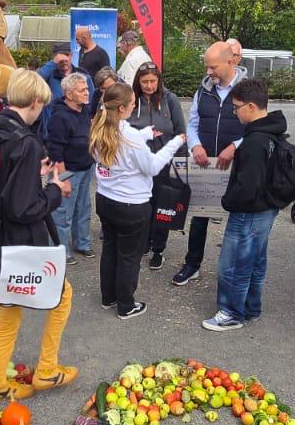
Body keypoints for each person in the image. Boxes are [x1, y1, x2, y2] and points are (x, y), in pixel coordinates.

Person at [0, 69, 76, 402]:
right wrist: (55, 190)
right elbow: (22, 207)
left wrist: (33, 175)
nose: (41, 112)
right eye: (42, 106)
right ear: (35, 101)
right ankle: (46, 369)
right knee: (62, 295)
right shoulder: (25, 143)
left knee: (7, 307)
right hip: (21, 240)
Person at [92, 82, 187, 319]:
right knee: (129, 257)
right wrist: (175, 142)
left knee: (110, 249)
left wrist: (145, 134)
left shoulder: (99, 127)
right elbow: (152, 166)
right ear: (122, 108)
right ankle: (126, 305)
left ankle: (108, 297)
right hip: (131, 205)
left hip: (105, 199)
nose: (135, 107)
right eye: (133, 104)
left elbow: (124, 140)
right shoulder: (129, 136)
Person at [202, 79, 288, 332]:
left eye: (237, 107)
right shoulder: (273, 130)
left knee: (232, 265)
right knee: (255, 261)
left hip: (248, 212)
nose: (235, 112)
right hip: (267, 208)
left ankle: (230, 312)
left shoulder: (253, 141)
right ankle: (251, 307)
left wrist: (227, 201)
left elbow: (247, 186)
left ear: (251, 106)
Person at [174, 42, 248, 286]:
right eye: (207, 66)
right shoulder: (203, 90)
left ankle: (234, 271)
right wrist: (195, 145)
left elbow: (258, 126)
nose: (208, 72)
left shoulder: (249, 90)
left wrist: (235, 146)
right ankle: (192, 264)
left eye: (213, 67)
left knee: (238, 219)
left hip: (237, 166)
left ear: (231, 61)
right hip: (206, 165)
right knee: (199, 217)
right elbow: (193, 124)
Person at [129, 63, 187, 270]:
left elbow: (181, 131)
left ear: (159, 81)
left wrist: (181, 163)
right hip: (139, 165)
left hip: (164, 163)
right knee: (143, 206)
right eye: (144, 81)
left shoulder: (170, 99)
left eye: (152, 81)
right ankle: (144, 240)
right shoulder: (131, 100)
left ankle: (158, 249)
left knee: (163, 205)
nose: (149, 86)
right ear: (138, 81)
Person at [46, 72, 96, 262]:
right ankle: (60, 251)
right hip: (68, 171)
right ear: (69, 94)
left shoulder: (84, 110)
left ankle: (82, 244)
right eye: (81, 90)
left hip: (86, 168)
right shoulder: (59, 117)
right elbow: (55, 151)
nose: (87, 93)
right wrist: (63, 179)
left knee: (83, 208)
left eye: (86, 89)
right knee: (62, 213)